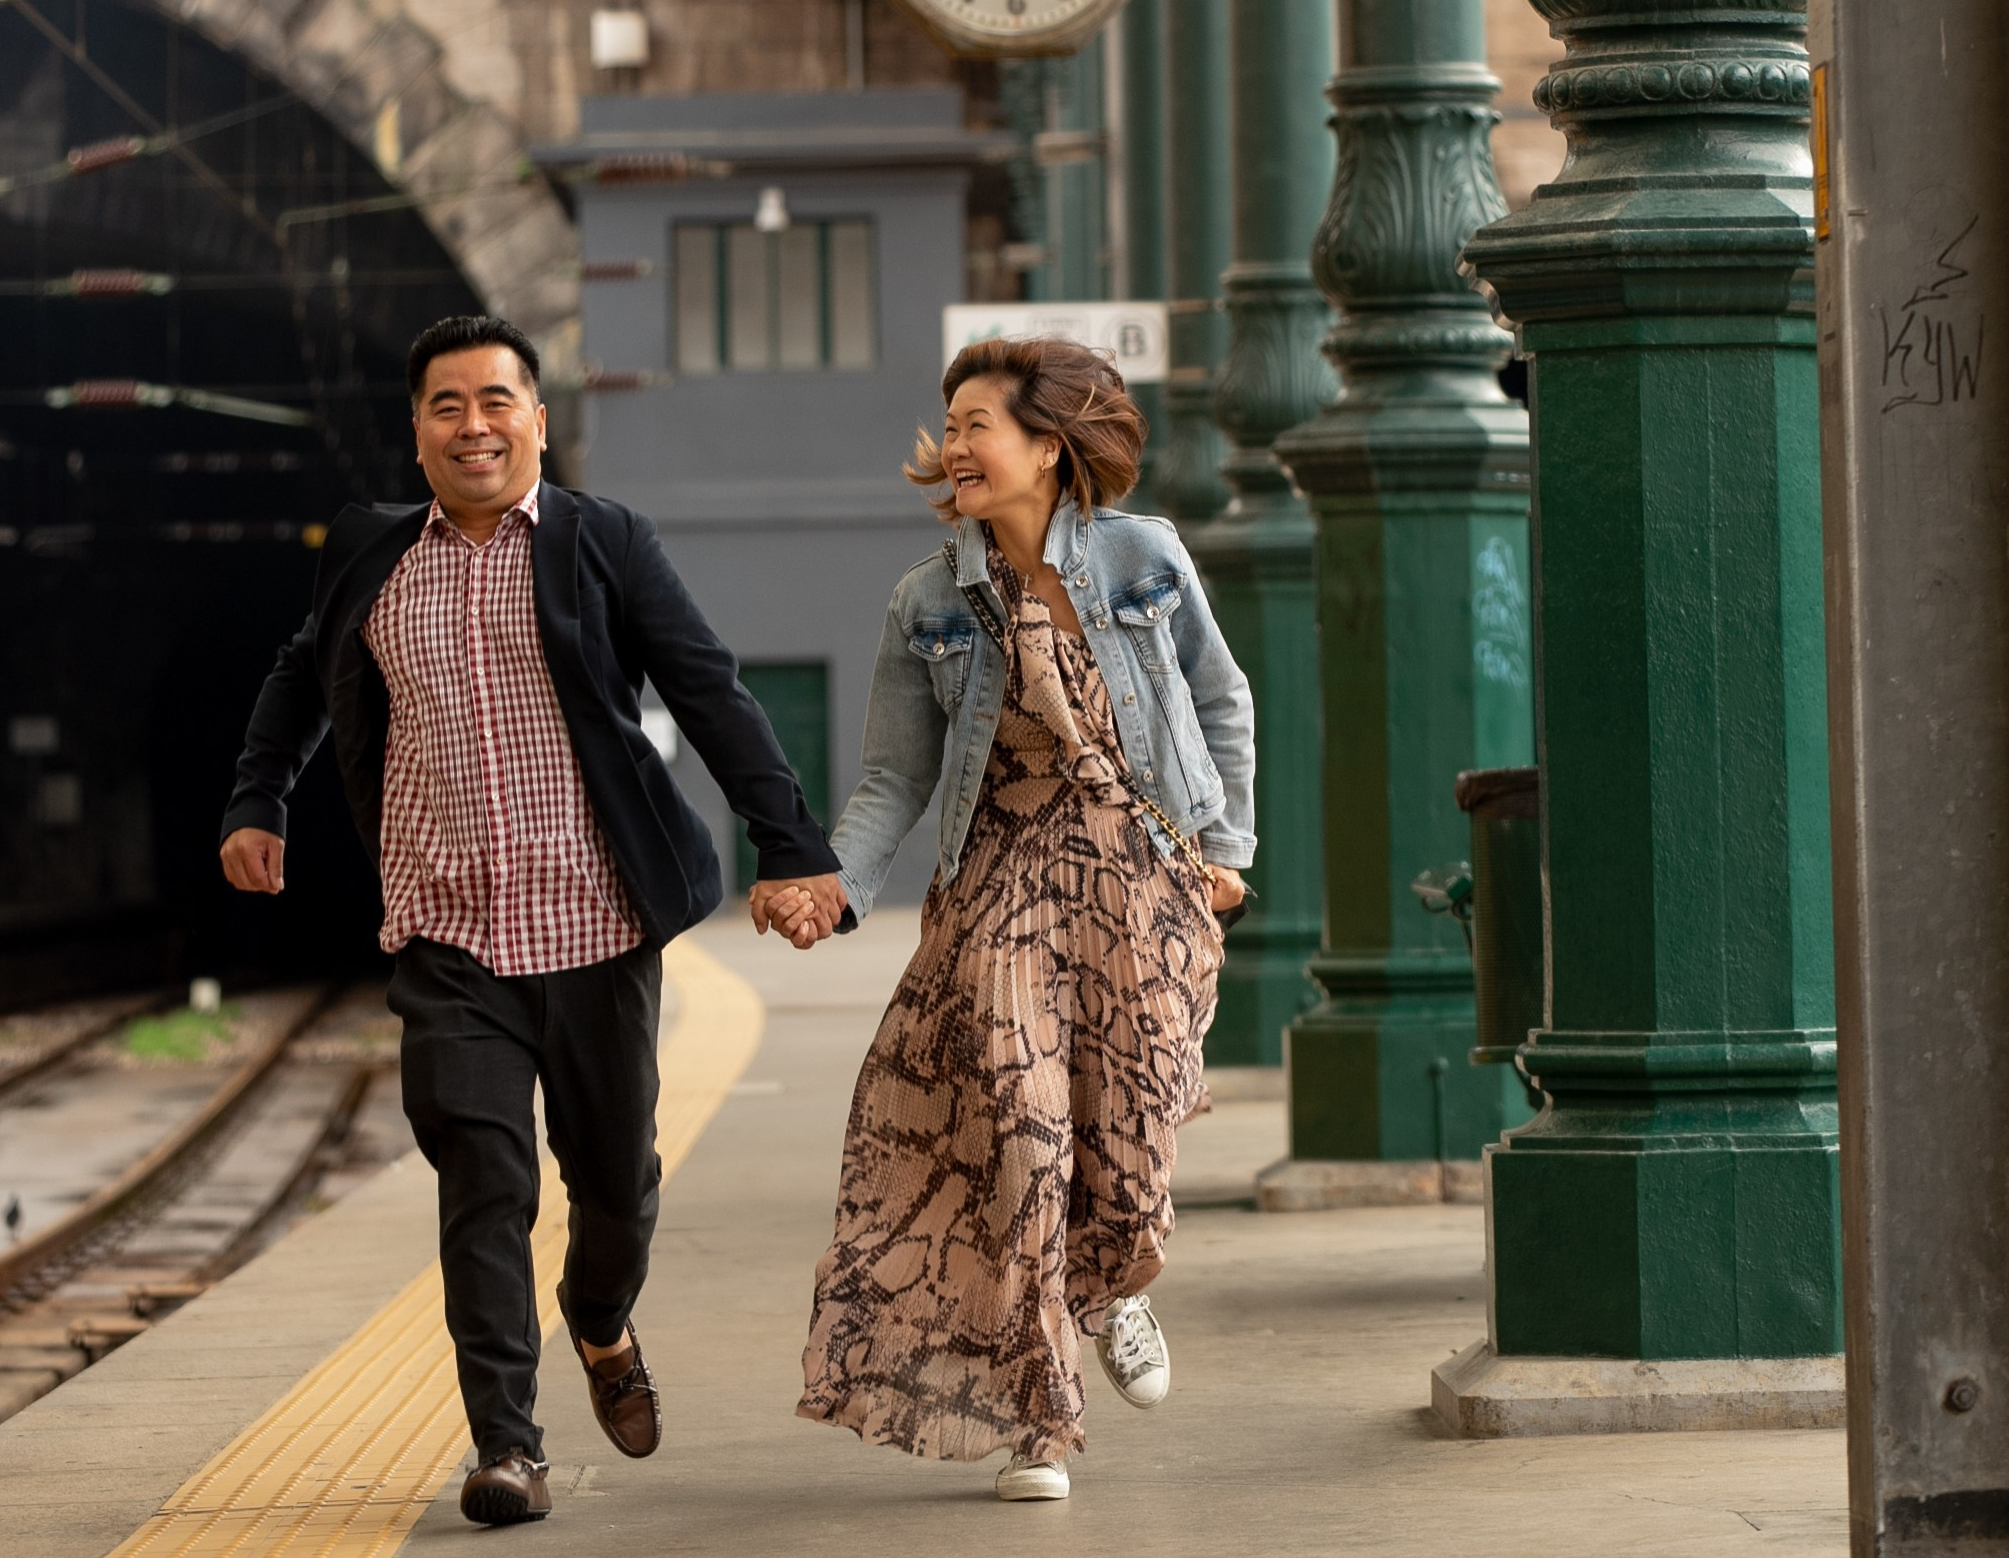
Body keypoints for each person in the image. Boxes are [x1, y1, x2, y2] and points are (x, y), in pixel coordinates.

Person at [218, 313, 845, 1526]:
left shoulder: (602, 543)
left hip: (596, 924)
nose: (474, 425)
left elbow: (705, 688)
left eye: (496, 401)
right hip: (449, 930)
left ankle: (602, 1322)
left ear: (539, 422)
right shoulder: (368, 551)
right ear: (417, 434)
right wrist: (259, 797)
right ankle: (508, 1446)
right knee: (483, 1182)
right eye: (447, 405)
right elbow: (304, 669)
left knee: (616, 1188)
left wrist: (792, 844)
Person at [764, 337, 1256, 1503]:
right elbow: (893, 780)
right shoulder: (928, 599)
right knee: (1022, 1144)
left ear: (1049, 444)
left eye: (980, 421)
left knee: (1131, 1153)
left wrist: (1226, 852)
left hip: (1142, 880)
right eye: (954, 422)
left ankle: (1115, 1281)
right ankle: (1041, 1417)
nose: (955, 445)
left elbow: (1219, 697)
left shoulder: (1144, 556)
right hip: (1005, 886)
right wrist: (833, 883)